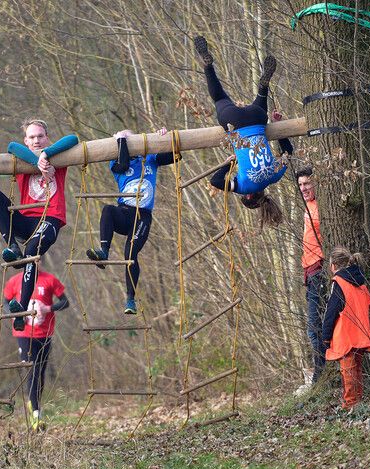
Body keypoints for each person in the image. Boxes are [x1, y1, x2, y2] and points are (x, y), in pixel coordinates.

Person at [193, 36, 292, 228]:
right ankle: (208, 66)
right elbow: (215, 181)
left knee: (260, 106)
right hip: (235, 124)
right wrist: (229, 163)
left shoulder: (273, 176)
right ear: (248, 196)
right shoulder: (242, 187)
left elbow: (289, 154)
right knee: (219, 97)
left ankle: (263, 87)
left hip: (258, 118)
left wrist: (281, 134)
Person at [0, 119, 78, 329]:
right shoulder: (21, 158)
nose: (36, 140)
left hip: (50, 218)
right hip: (26, 220)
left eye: (40, 136)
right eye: (32, 137)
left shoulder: (58, 156)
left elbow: (73, 138)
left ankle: (21, 304)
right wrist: (37, 163)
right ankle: (11, 245)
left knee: (32, 250)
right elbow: (11, 146)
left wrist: (45, 156)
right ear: (26, 141)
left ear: (47, 138)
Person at [86, 127, 180, 314]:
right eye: (124, 142)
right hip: (124, 213)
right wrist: (120, 141)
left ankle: (130, 300)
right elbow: (122, 165)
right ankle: (104, 252)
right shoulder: (116, 163)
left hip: (142, 217)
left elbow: (175, 156)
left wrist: (163, 139)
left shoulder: (149, 159)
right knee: (107, 210)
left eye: (129, 140)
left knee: (130, 254)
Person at [3, 268, 69, 430]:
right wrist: (17, 315)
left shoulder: (50, 279)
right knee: (32, 370)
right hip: (24, 333)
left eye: (36, 258)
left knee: (40, 372)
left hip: (45, 333)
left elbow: (65, 302)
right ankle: (36, 415)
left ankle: (34, 403)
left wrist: (48, 308)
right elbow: (5, 303)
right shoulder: (14, 281)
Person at [322, 247, 370, 409]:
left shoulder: (339, 282)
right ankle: (357, 402)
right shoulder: (360, 282)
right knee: (356, 369)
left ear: (334, 265)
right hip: (361, 333)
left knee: (348, 371)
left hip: (346, 335)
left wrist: (326, 335)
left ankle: (351, 404)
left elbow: (331, 311)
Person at [295, 168, 326, 395]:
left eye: (307, 183)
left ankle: (320, 374)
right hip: (310, 271)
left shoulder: (321, 207)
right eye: (301, 185)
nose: (304, 188)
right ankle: (321, 371)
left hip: (320, 270)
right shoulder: (307, 209)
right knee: (316, 326)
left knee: (314, 328)